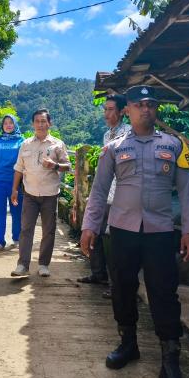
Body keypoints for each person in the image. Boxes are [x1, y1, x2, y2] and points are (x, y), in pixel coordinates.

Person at [80, 85, 189, 378]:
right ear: (127, 110)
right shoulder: (113, 148)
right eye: (139, 104)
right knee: (121, 287)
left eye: (150, 104)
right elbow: (99, 190)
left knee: (163, 292)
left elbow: (188, 192)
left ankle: (170, 362)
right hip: (122, 229)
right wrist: (90, 226)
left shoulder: (175, 146)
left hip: (161, 231)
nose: (145, 109)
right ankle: (128, 343)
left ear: (155, 109)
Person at [77, 94, 129, 296]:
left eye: (110, 109)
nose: (106, 113)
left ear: (122, 111)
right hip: (104, 195)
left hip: (120, 197)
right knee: (95, 235)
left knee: (113, 242)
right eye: (105, 109)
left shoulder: (129, 134)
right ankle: (98, 274)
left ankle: (117, 285)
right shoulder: (108, 135)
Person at [9, 109, 71, 278]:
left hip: (50, 194)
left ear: (49, 123)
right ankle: (22, 265)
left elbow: (69, 167)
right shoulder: (26, 144)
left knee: (48, 231)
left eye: (43, 121)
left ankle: (43, 264)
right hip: (29, 193)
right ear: (33, 124)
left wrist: (55, 166)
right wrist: (14, 189)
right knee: (26, 229)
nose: (40, 124)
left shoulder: (58, 144)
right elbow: (19, 168)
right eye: (37, 121)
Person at [0, 114, 25, 251]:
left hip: (17, 183)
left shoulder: (22, 141)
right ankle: (0, 242)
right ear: (2, 126)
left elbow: (25, 162)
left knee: (17, 213)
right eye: (5, 123)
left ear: (15, 125)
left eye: (11, 123)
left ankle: (17, 239)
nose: (8, 125)